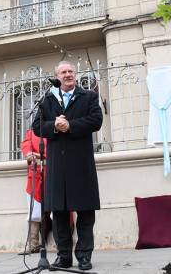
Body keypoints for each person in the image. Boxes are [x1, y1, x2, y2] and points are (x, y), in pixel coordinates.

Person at [33, 61, 102, 271]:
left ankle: (84, 256)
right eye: (63, 72)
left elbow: (96, 121)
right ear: (57, 77)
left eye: (71, 71)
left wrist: (70, 125)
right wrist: (54, 125)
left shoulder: (88, 96)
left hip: (81, 164)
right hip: (57, 166)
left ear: (75, 75)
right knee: (59, 214)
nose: (68, 74)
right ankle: (63, 256)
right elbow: (37, 127)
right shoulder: (47, 100)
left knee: (85, 213)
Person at [20, 128, 47, 254]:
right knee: (34, 210)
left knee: (57, 209)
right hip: (35, 173)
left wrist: (39, 155)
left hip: (52, 171)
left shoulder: (54, 129)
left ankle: (62, 245)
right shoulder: (31, 132)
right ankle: (33, 244)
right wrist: (29, 153)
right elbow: (26, 143)